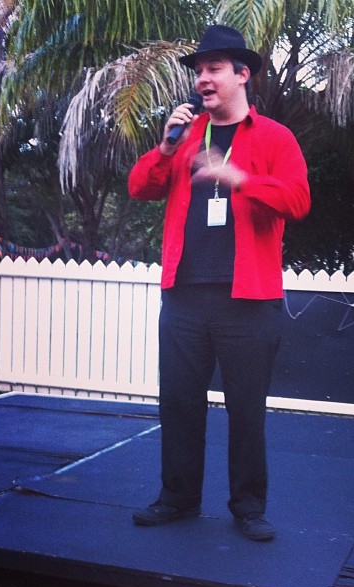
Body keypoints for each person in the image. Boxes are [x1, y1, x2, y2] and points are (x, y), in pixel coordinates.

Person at [128, 24, 310, 541]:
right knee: (179, 403)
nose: (203, 79)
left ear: (242, 74)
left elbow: (298, 201)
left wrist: (241, 179)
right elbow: (140, 188)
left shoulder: (274, 137)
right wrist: (166, 148)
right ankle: (178, 498)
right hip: (184, 295)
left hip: (248, 299)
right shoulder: (186, 137)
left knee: (245, 409)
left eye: (214, 69)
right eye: (199, 71)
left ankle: (248, 507)